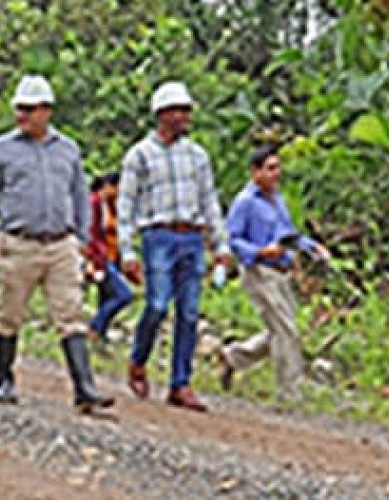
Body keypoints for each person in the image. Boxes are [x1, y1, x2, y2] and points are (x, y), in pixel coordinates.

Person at [0, 74, 114, 412]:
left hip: (60, 244)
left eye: (29, 109)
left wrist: (81, 238)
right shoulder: (1, 150)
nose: (22, 116)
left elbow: (80, 195)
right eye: (19, 109)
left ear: (46, 111)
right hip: (18, 242)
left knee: (71, 315)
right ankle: (4, 378)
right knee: (11, 314)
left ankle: (84, 388)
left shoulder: (68, 149)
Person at [116, 81, 233, 412]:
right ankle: (139, 360)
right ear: (162, 114)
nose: (185, 117)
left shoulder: (197, 156)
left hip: (191, 236)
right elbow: (125, 206)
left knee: (190, 312)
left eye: (187, 111)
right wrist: (127, 251)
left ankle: (180, 383)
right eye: (179, 111)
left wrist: (220, 244)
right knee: (156, 304)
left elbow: (210, 201)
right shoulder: (139, 156)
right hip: (158, 236)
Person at [217, 144, 330, 400]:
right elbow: (231, 238)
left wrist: (312, 247)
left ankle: (234, 357)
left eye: (277, 167)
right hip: (259, 271)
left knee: (281, 329)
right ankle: (290, 389)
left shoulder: (278, 199)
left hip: (282, 271)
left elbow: (288, 234)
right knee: (285, 329)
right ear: (255, 172)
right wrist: (259, 252)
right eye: (270, 168)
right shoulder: (245, 202)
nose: (276, 173)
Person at [86, 172, 133, 346]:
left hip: (112, 256)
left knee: (106, 297)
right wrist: (93, 260)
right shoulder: (94, 203)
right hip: (101, 257)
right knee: (124, 295)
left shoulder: (111, 205)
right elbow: (91, 233)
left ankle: (100, 336)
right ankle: (95, 326)